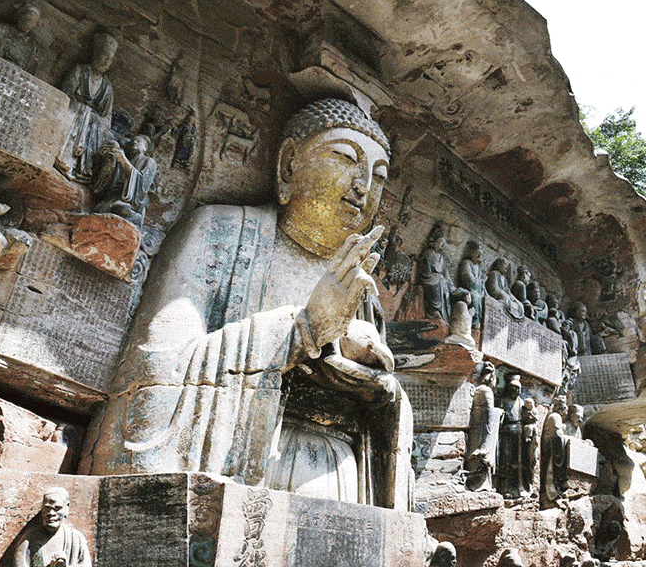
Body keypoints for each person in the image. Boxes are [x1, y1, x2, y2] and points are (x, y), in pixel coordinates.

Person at [80, 98, 412, 509]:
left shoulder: (361, 286)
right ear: (288, 164)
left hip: (337, 474)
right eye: (345, 157)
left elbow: (377, 409)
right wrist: (304, 328)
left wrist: (381, 388)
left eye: (379, 177)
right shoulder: (218, 231)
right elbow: (156, 371)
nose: (363, 185)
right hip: (243, 468)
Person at [60, 33, 118, 183]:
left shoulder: (108, 87)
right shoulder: (80, 71)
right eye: (104, 56)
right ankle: (65, 161)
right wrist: (83, 110)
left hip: (92, 124)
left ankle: (84, 169)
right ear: (95, 54)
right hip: (74, 114)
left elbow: (107, 117)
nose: (106, 61)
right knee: (82, 115)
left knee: (100, 128)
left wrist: (95, 119)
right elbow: (66, 94)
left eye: (109, 60)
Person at [92, 134, 157, 229]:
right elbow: (109, 181)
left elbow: (142, 185)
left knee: (121, 208)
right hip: (114, 196)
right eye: (132, 141)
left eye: (138, 141)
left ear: (145, 147)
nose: (134, 142)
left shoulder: (149, 161)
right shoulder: (122, 158)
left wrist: (124, 160)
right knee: (99, 208)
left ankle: (136, 217)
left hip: (131, 201)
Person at [12, 488, 90, 567]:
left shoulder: (76, 538)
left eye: (57, 508)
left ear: (66, 508)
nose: (51, 513)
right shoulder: (30, 539)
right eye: (47, 509)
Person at [465, 362, 502, 491]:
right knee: (480, 458)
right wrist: (498, 413)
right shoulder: (486, 391)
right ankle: (479, 485)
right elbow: (489, 416)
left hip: (475, 428)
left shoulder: (477, 389)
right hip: (482, 430)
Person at [0, 1, 43, 75]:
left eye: (31, 22)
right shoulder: (1, 30)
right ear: (19, 16)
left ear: (36, 24)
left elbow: (29, 71)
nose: (27, 23)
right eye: (26, 16)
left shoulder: (33, 47)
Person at [458, 240, 484, 328]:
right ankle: (475, 320)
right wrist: (480, 281)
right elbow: (469, 280)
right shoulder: (466, 263)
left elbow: (482, 284)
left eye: (481, 254)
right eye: (478, 253)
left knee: (486, 300)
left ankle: (483, 322)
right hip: (469, 290)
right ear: (472, 253)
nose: (480, 256)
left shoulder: (479, 268)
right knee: (475, 296)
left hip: (479, 291)